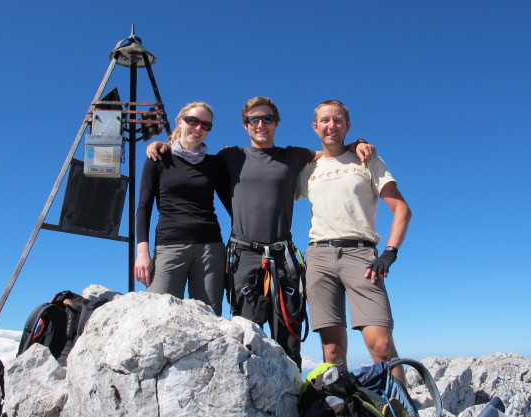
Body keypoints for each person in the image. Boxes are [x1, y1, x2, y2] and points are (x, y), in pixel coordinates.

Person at [147, 97, 374, 369]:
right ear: (245, 125)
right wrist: (162, 146)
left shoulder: (294, 156)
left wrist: (355, 143)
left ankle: (294, 403)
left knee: (289, 337)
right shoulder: (230, 157)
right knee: (246, 335)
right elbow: (193, 158)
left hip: (283, 255)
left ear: (276, 123)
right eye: (254, 119)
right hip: (243, 255)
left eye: (267, 118)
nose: (261, 124)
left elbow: (330, 150)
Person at [297, 100, 411, 380]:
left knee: (381, 346)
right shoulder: (307, 168)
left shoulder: (367, 159)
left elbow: (402, 210)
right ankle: (344, 416)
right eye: (324, 120)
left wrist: (389, 253)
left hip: (361, 256)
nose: (331, 126)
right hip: (319, 257)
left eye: (338, 120)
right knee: (332, 353)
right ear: (315, 127)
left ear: (348, 126)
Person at [135, 102, 231, 316]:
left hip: (210, 249)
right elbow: (144, 207)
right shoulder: (158, 158)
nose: (198, 128)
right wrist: (142, 252)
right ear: (181, 121)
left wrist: (234, 249)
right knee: (157, 316)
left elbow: (234, 207)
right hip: (169, 246)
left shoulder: (215, 164)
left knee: (209, 320)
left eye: (206, 125)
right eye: (193, 121)